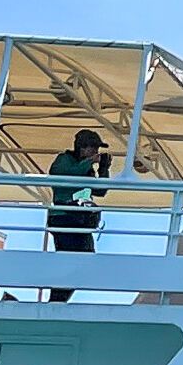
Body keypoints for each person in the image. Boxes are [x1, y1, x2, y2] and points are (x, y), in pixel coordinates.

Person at [43, 129, 111, 301]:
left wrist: (104, 168)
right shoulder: (64, 160)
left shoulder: (86, 168)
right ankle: (56, 300)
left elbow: (100, 190)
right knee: (68, 263)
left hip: (81, 220)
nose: (96, 152)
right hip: (64, 217)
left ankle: (59, 300)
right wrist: (89, 162)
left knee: (86, 260)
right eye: (93, 148)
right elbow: (65, 176)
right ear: (82, 147)